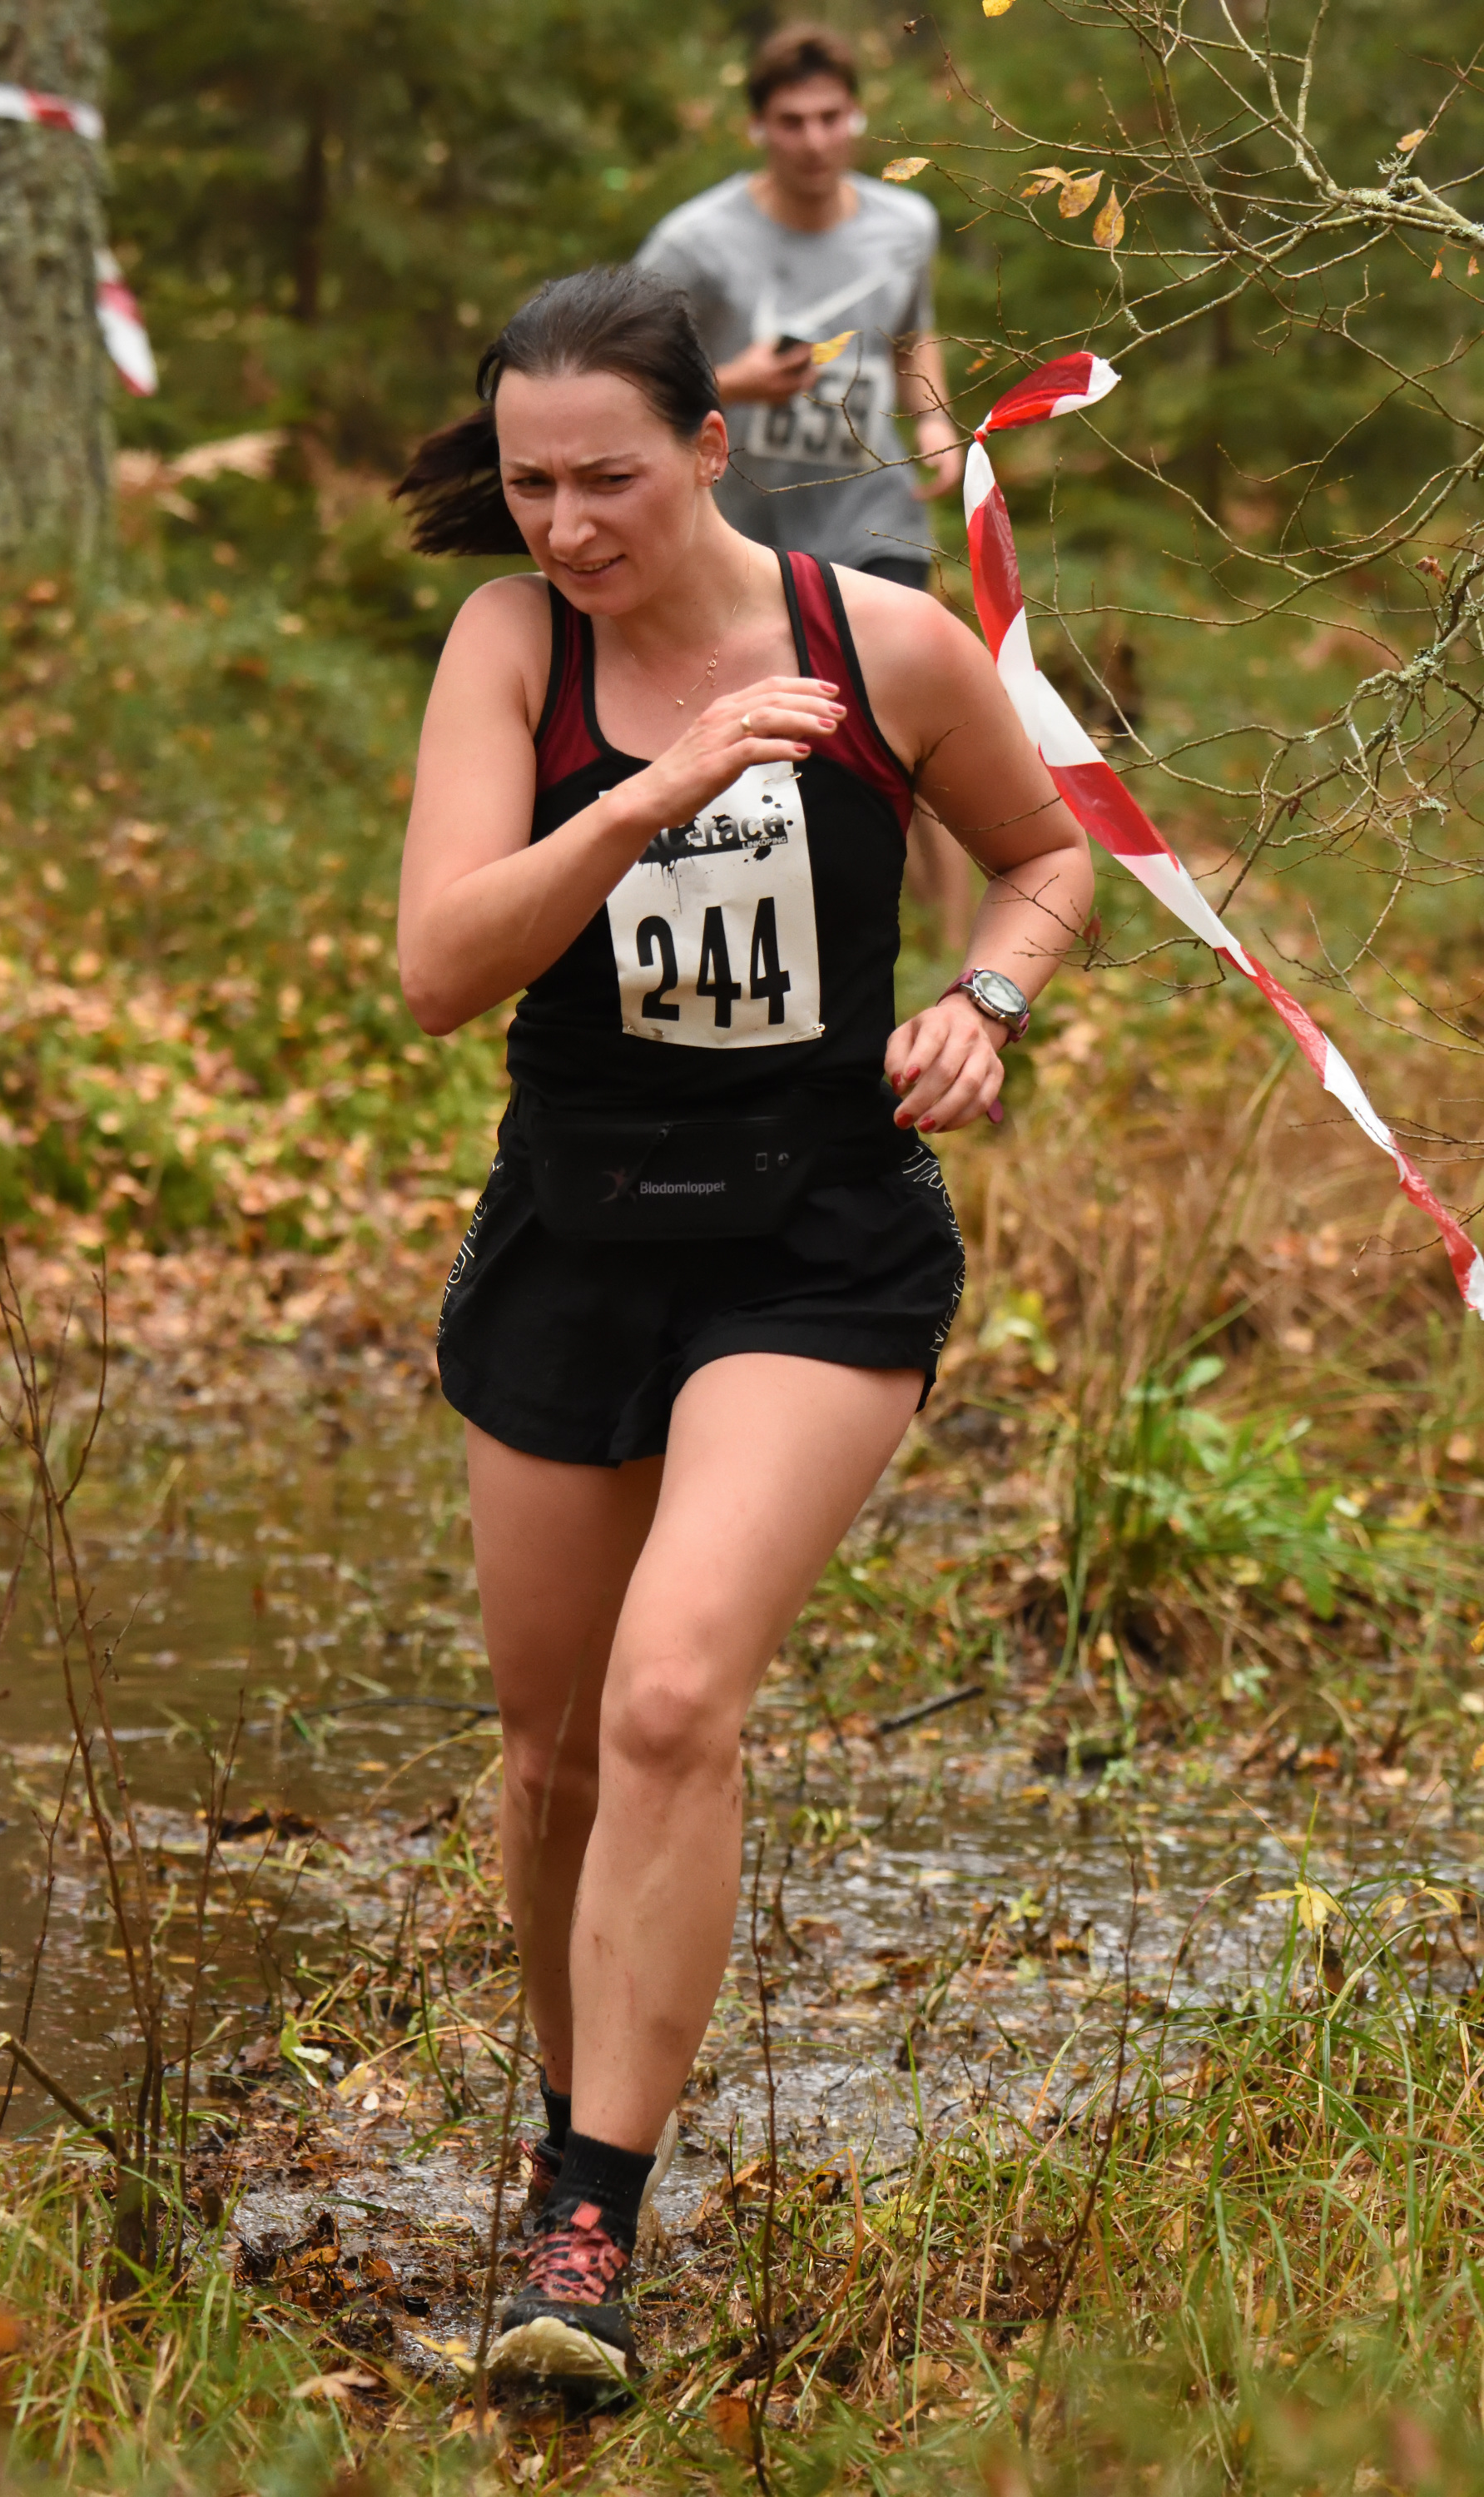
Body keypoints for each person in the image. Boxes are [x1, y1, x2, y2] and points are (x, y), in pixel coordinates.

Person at [393, 265, 1091, 2387]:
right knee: (546, 1755)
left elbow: (1045, 862)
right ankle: (567, 2136)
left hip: (815, 1240)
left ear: (709, 446)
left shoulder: (879, 644)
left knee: (673, 1694)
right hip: (576, 1227)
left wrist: (984, 1002)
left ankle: (587, 2234)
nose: (563, 523)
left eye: (605, 477)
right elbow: (437, 970)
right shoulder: (512, 646)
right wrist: (644, 792)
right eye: (528, 483)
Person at [635, 21, 975, 952]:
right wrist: (734, 383)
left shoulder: (904, 225)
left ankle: (954, 959)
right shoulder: (696, 243)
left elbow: (914, 333)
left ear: (857, 116)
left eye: (830, 117)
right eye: (791, 121)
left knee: (914, 716)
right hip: (746, 530)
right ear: (757, 127)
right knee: (775, 746)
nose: (814, 140)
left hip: (873, 514)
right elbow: (625, 376)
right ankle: (774, 928)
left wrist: (933, 418)